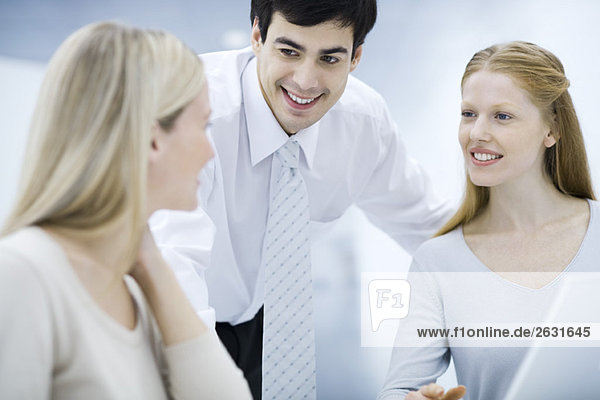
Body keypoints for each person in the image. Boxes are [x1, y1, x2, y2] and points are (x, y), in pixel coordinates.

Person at [150, 0, 452, 398]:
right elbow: (174, 266)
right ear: (257, 35)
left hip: (261, 329)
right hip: (170, 326)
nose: (306, 81)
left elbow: (426, 223)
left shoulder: (362, 124)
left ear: (356, 57)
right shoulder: (195, 114)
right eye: (289, 51)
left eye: (329, 58)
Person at [0, 22, 251, 399]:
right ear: (152, 139)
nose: (210, 150)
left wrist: (152, 264)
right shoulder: (22, 273)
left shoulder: (134, 282)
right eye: (203, 126)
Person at [377, 41, 597, 400]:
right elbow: (398, 390)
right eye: (468, 114)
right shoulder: (438, 262)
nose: (476, 132)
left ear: (552, 130)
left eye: (502, 116)